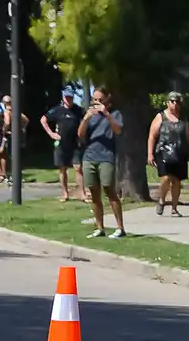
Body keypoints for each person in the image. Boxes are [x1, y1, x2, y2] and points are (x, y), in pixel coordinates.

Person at [77, 85, 126, 238]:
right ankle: (100, 228)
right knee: (94, 192)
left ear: (107, 100)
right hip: (89, 157)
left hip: (106, 157)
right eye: (95, 100)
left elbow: (118, 130)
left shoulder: (115, 114)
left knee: (109, 189)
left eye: (100, 100)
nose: (97, 103)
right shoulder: (90, 115)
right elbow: (80, 134)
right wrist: (86, 118)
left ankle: (120, 228)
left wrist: (106, 114)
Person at [148, 92, 189, 216]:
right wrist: (150, 154)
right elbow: (152, 136)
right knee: (166, 178)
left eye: (177, 101)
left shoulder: (183, 120)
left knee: (177, 181)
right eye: (172, 101)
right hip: (163, 152)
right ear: (168, 102)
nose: (175, 104)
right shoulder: (161, 117)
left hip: (179, 153)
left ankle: (174, 208)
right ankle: (161, 199)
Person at [41, 86, 86, 203]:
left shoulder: (78, 110)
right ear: (63, 97)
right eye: (66, 97)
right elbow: (43, 120)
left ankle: (82, 193)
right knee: (62, 169)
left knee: (78, 168)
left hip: (75, 143)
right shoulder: (57, 110)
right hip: (61, 144)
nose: (68, 99)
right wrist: (51, 134)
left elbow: (86, 120)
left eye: (70, 97)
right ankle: (65, 193)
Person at [0, 94, 28, 183]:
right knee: (17, 156)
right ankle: (18, 175)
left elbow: (7, 122)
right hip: (18, 135)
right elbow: (26, 120)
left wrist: (4, 130)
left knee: (11, 156)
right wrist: (22, 128)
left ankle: (14, 176)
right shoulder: (16, 111)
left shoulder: (7, 112)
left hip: (11, 136)